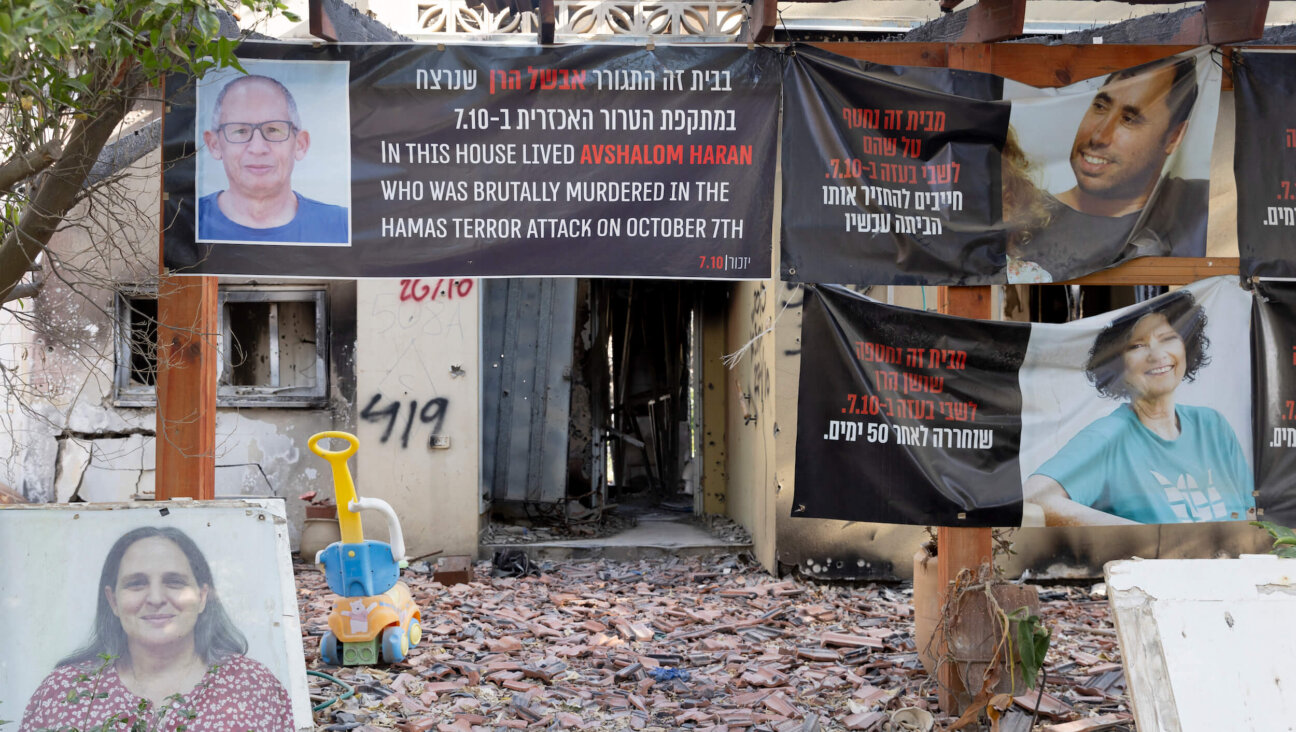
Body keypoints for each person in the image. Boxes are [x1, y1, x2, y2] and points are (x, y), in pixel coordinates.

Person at [19, 526, 294, 731]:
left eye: (174, 581)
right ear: (113, 600)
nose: (155, 598)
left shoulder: (252, 685)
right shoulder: (64, 690)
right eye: (136, 583)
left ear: (202, 596)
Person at [1023, 291, 1254, 526]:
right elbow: (1034, 497)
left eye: (1167, 338)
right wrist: (1133, 531)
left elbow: (1251, 513)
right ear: (1117, 365)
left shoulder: (1213, 426)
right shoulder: (1108, 437)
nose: (1157, 355)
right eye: (1137, 346)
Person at [1009, 55, 1207, 282]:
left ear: (1175, 136)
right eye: (1100, 106)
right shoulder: (1023, 217)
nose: (1099, 135)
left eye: (1130, 119)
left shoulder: (1193, 208)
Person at [199, 74, 349, 244]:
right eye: (240, 131)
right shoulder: (188, 220)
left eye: (273, 130)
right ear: (214, 145)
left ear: (300, 144)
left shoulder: (343, 226)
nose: (258, 149)